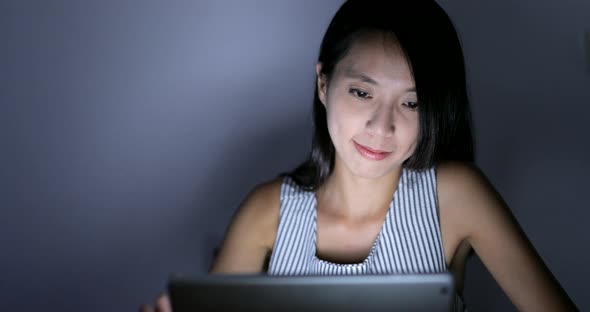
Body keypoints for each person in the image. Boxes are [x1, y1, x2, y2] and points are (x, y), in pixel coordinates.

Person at [140, 0, 577, 311]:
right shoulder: (268, 211)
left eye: (412, 102)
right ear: (323, 84)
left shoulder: (455, 197)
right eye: (362, 92)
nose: (382, 127)